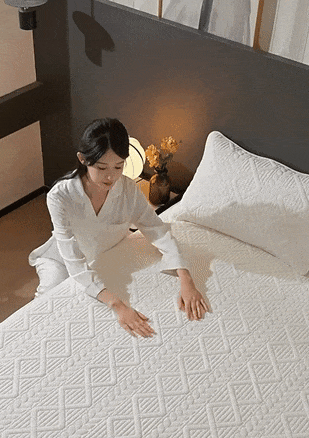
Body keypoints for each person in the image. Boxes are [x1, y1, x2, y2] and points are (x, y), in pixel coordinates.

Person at [29, 118, 208, 338]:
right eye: (101, 167)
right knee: (44, 307)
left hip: (105, 255)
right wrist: (118, 304)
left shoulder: (127, 190)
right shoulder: (60, 196)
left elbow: (157, 230)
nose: (110, 176)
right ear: (83, 159)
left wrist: (185, 278)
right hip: (62, 260)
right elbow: (73, 259)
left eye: (118, 166)